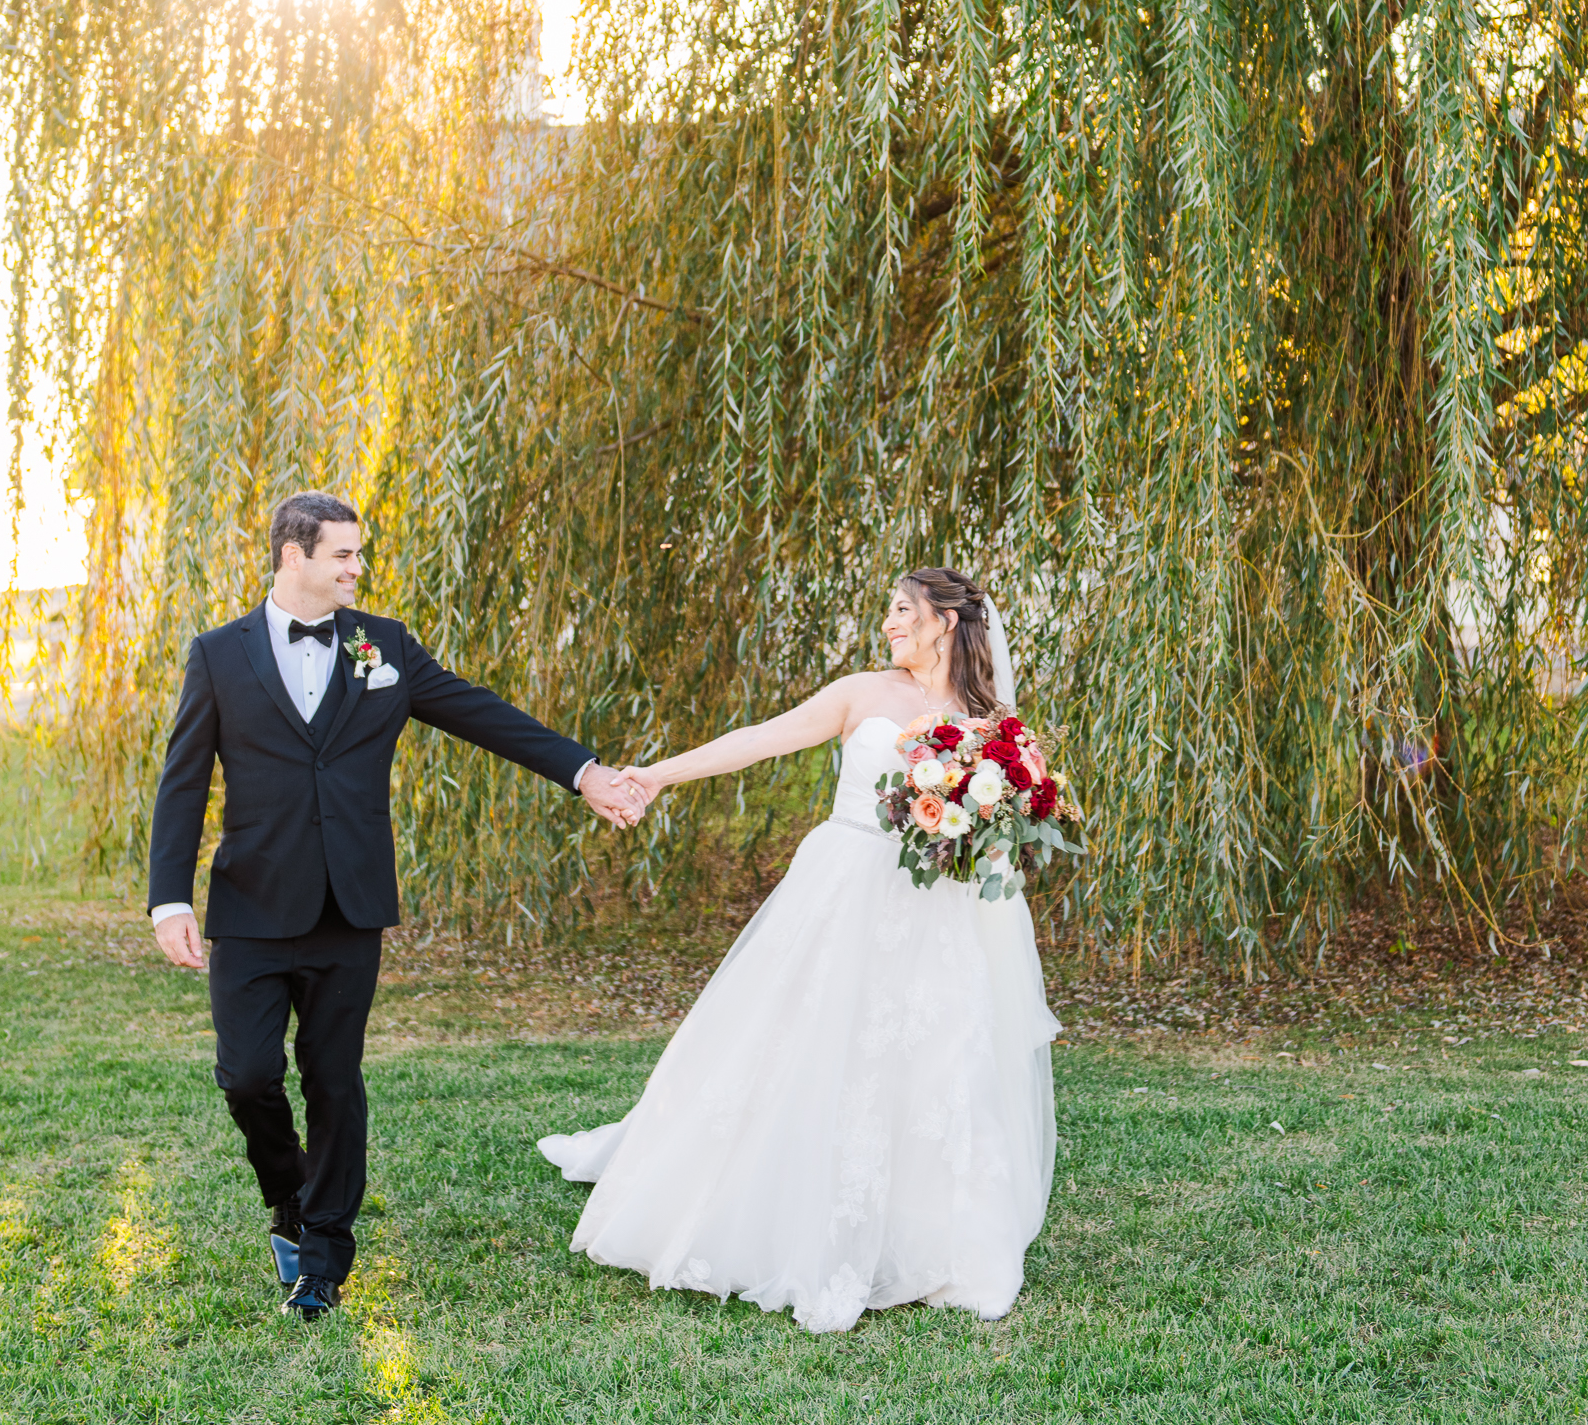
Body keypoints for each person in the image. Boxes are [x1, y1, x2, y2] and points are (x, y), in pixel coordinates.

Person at [148, 489, 645, 1320]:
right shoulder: (218, 655)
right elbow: (183, 781)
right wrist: (169, 899)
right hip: (251, 906)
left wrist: (584, 772)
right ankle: (290, 1197)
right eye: (343, 553)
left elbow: (482, 714)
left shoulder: (384, 646)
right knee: (248, 1077)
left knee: (334, 1079)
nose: (358, 567)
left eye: (358, 554)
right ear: (293, 556)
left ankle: (323, 1260)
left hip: (351, 906)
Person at [538, 565, 1060, 1333]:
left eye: (901, 610)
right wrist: (658, 774)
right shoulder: (862, 693)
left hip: (934, 912)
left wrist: (973, 821)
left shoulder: (990, 723)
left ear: (947, 621)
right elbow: (761, 739)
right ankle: (775, 1202)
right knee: (801, 1041)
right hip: (843, 887)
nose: (888, 624)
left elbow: (999, 832)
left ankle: (938, 1238)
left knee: (937, 1060)